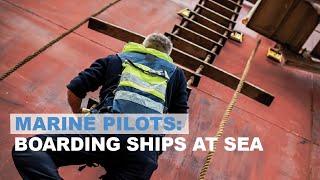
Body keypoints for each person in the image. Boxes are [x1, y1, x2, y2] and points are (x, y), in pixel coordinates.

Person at [12, 33, 188, 179]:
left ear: (144, 46)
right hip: (143, 151)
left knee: (29, 148)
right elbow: (179, 120)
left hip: (103, 130)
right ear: (167, 55)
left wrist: (80, 115)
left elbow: (74, 89)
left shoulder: (117, 59)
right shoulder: (176, 74)